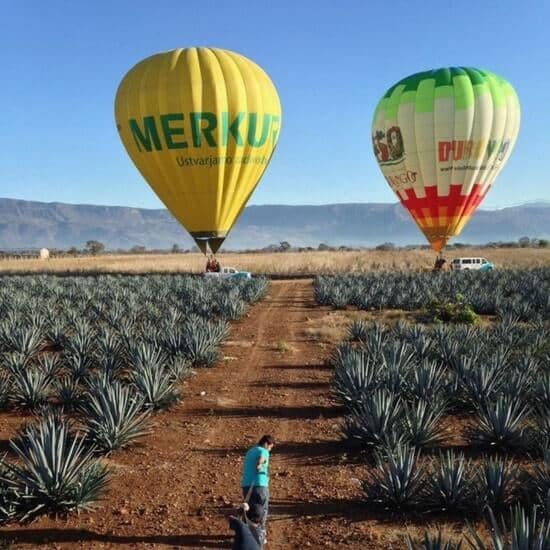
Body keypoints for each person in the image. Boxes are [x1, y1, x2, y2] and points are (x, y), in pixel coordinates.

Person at [240, 435, 274, 544]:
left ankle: (245, 536)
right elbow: (261, 459)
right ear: (266, 444)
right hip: (259, 485)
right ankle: (259, 536)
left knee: (249, 511)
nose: (269, 450)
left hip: (246, 485)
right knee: (261, 511)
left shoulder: (250, 451)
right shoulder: (263, 451)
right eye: (270, 447)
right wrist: (260, 464)